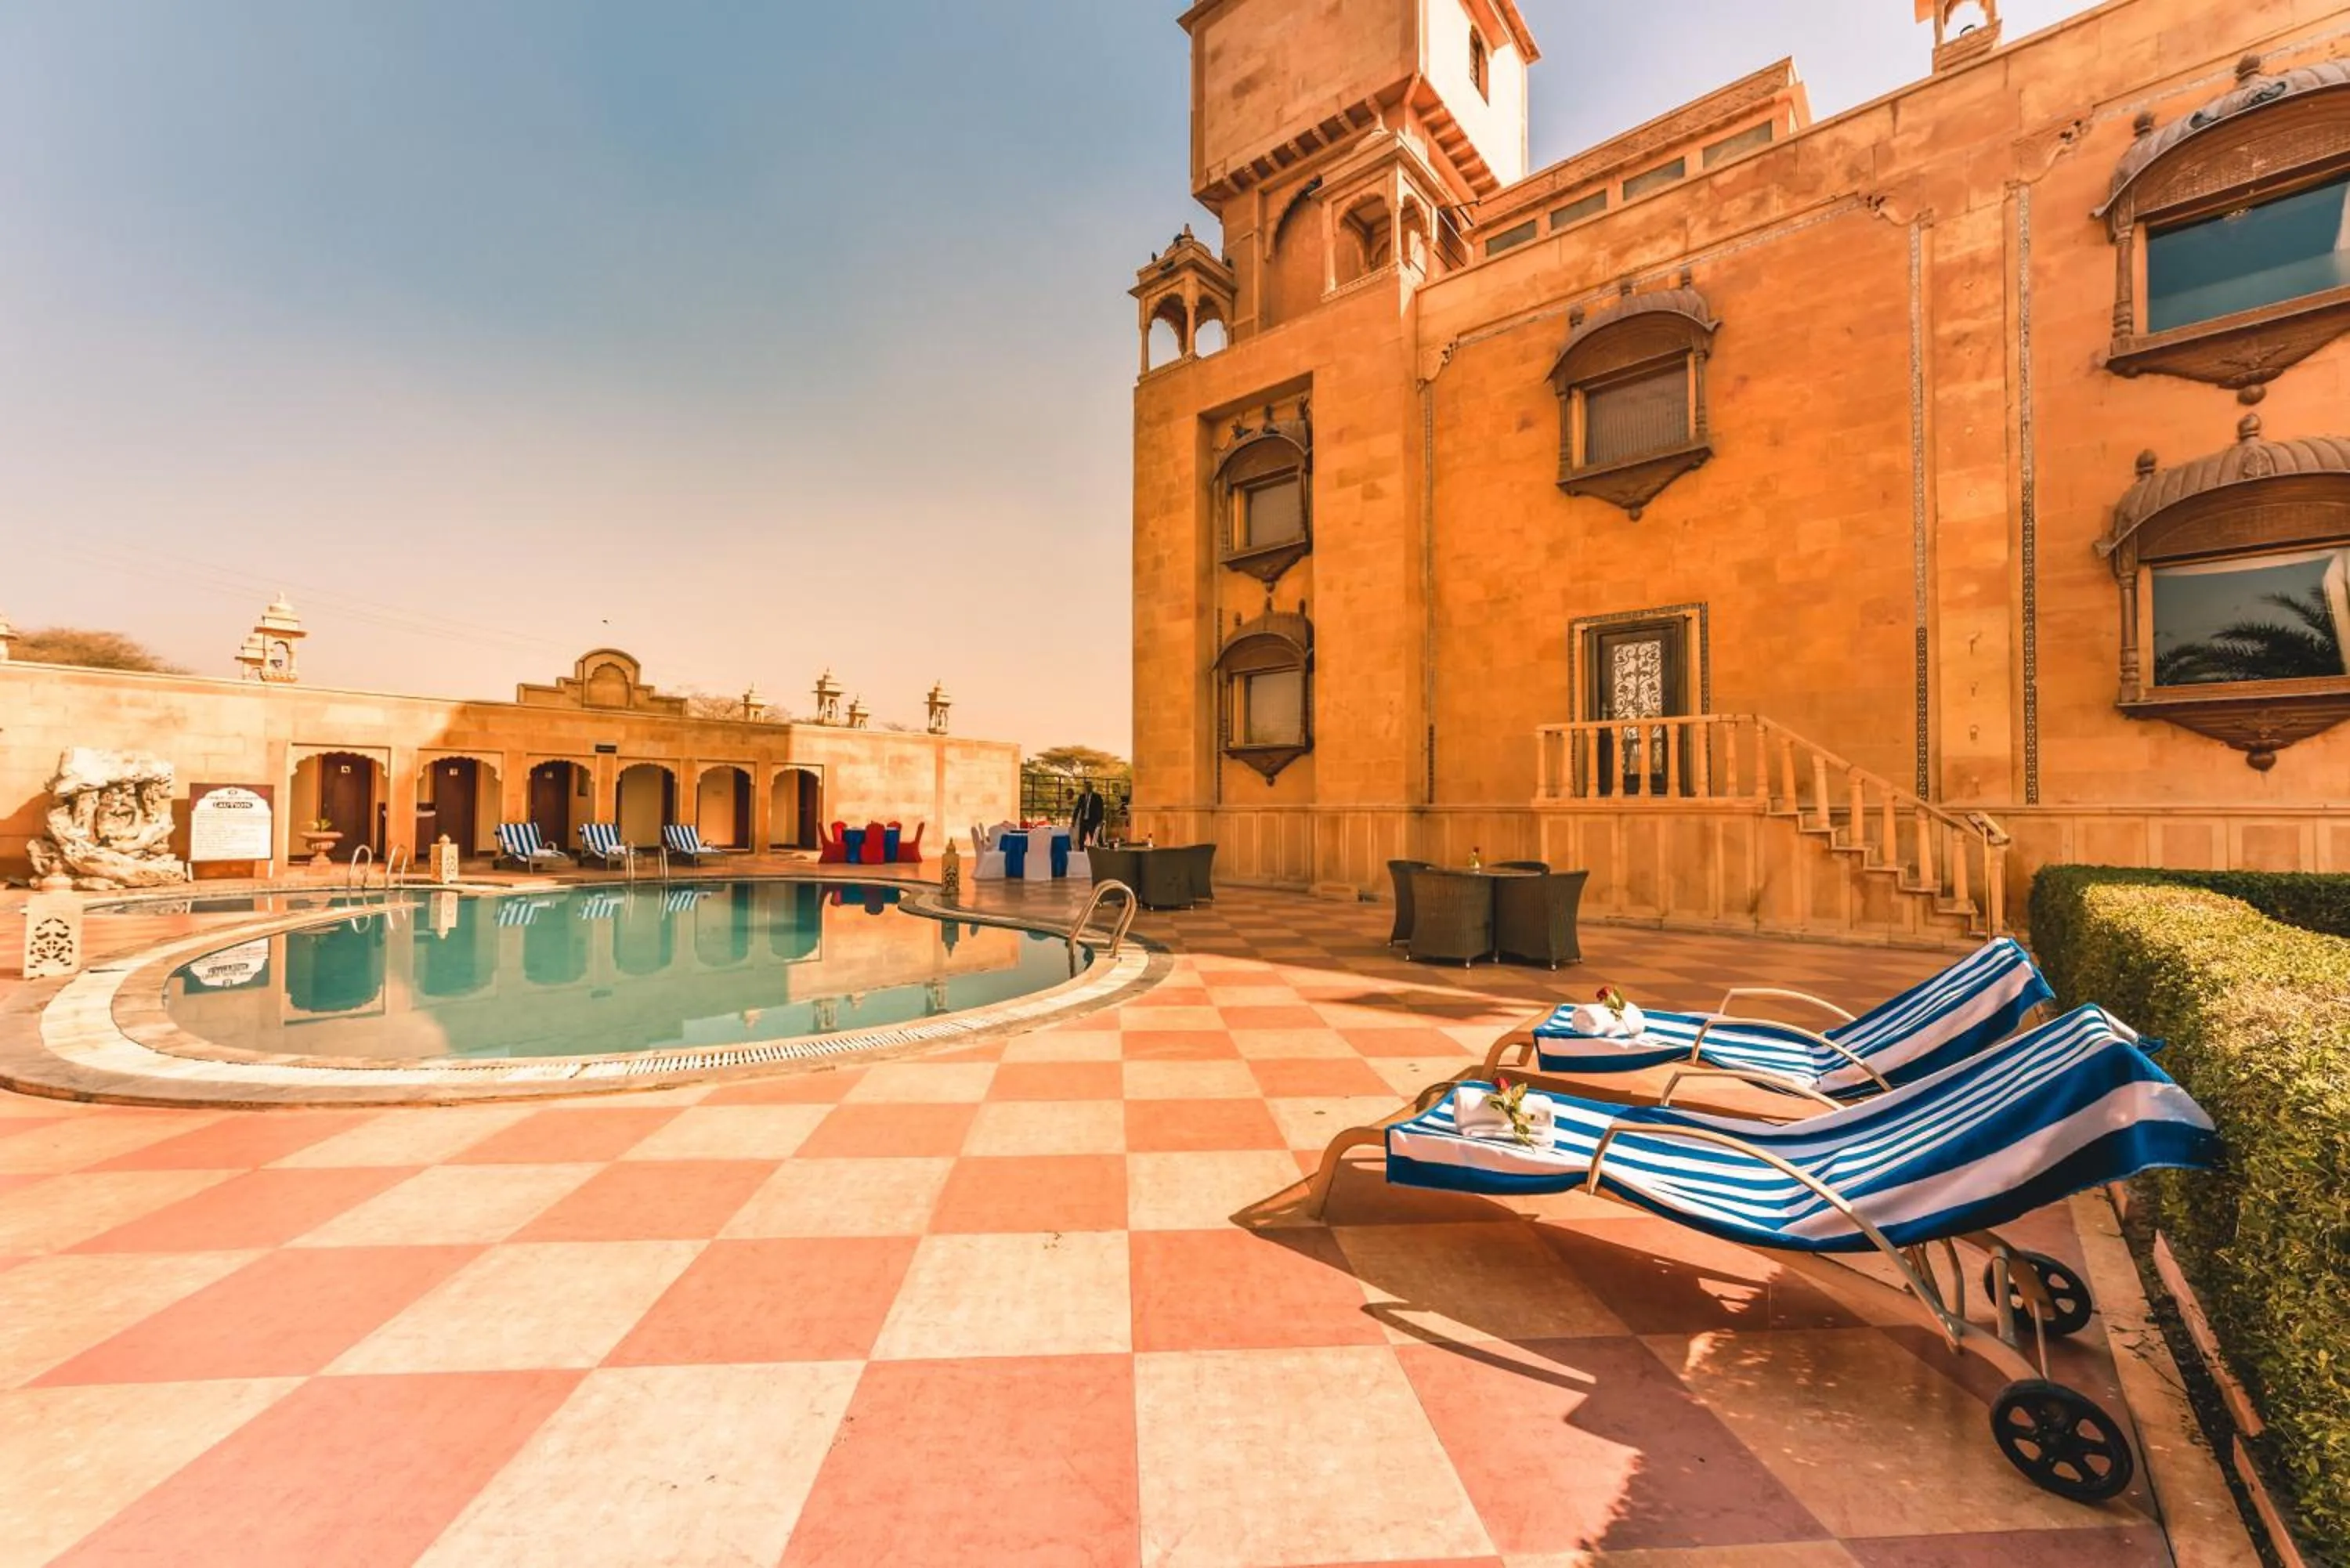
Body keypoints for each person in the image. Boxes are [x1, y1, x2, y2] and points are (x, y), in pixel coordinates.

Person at [1071, 782, 1106, 851]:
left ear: (1091, 787)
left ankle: (1098, 852)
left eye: (1088, 786)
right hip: (1084, 820)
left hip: (1093, 820)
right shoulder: (1082, 797)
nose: (1086, 788)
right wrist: (1074, 819)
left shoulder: (1097, 797)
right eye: (1085, 787)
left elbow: (1101, 808)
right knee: (1081, 839)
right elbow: (1077, 808)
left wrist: (1100, 819)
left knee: (1095, 837)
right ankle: (1081, 852)